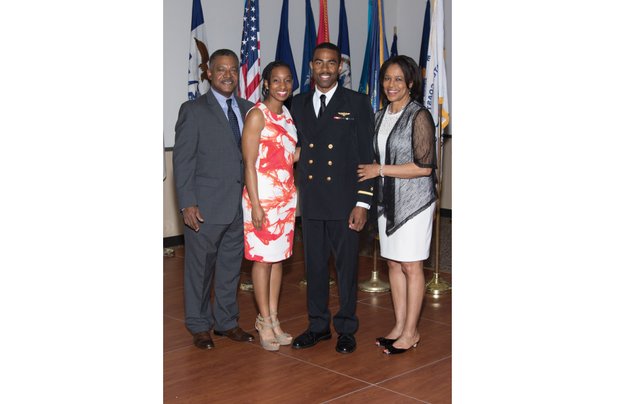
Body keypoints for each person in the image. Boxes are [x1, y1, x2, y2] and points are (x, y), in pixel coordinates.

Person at [290, 42, 375, 354]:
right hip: (312, 202)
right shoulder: (297, 104)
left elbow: (367, 156)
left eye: (331, 63)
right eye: (319, 62)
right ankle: (317, 326)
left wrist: (362, 203)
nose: (325, 68)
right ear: (311, 67)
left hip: (344, 203)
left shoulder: (356, 102)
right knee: (313, 268)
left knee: (346, 269)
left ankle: (346, 327)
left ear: (340, 67)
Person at [173, 48, 255, 350]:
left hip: (239, 206)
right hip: (205, 207)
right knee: (199, 269)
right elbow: (183, 161)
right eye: (221, 69)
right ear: (208, 73)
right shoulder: (192, 110)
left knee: (231, 267)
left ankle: (226, 321)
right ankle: (198, 325)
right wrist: (187, 203)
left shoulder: (249, 109)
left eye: (233, 70)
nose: (228, 75)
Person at [357, 55, 437, 355]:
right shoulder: (378, 116)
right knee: (392, 262)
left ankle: (412, 331)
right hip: (385, 202)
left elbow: (424, 166)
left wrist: (380, 170)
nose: (391, 85)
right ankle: (400, 324)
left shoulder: (420, 116)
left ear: (411, 83)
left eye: (398, 80)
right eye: (387, 79)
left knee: (411, 265)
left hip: (415, 203)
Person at [241, 61, 299, 351]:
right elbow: (249, 164)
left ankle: (274, 318)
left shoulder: (288, 115)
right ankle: (263, 320)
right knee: (262, 261)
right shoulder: (256, 115)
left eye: (287, 80)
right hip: (262, 198)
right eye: (276, 80)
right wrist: (255, 205)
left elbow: (289, 156)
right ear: (265, 83)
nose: (282, 85)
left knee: (278, 260)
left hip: (286, 200)